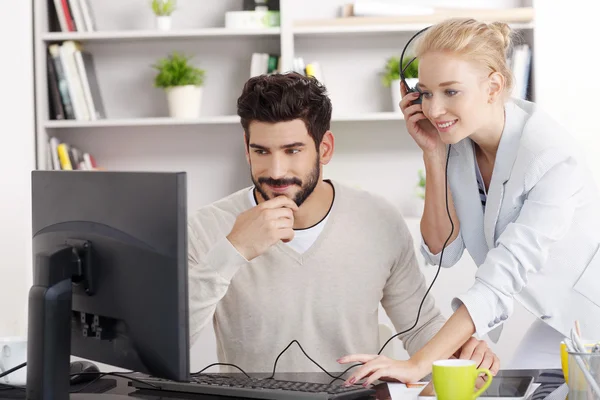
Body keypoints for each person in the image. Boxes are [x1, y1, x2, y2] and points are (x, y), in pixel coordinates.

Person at [339, 18, 600, 386]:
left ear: (493, 86)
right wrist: (433, 154)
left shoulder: (551, 156)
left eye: (451, 92)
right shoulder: (457, 144)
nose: (433, 109)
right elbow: (443, 249)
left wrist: (416, 364)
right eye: (426, 93)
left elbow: (503, 274)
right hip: (557, 319)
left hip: (593, 314)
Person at [187, 72, 499, 375]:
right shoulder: (208, 228)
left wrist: (462, 353)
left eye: (293, 150)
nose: (277, 170)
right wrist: (233, 250)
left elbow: (419, 327)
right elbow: (166, 343)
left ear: (325, 149)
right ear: (247, 149)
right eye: (261, 151)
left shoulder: (378, 220)